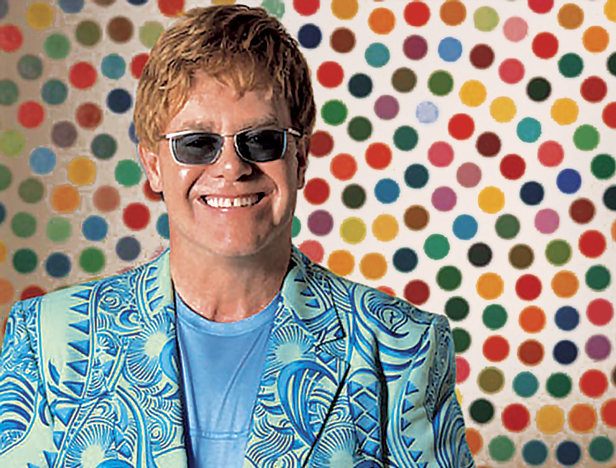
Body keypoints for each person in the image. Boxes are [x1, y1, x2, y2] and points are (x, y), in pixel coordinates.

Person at [0, 5, 474, 467]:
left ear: (300, 160)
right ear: (153, 165)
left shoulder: (401, 347)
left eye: (262, 139)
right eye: (196, 143)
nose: (231, 167)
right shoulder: (49, 339)